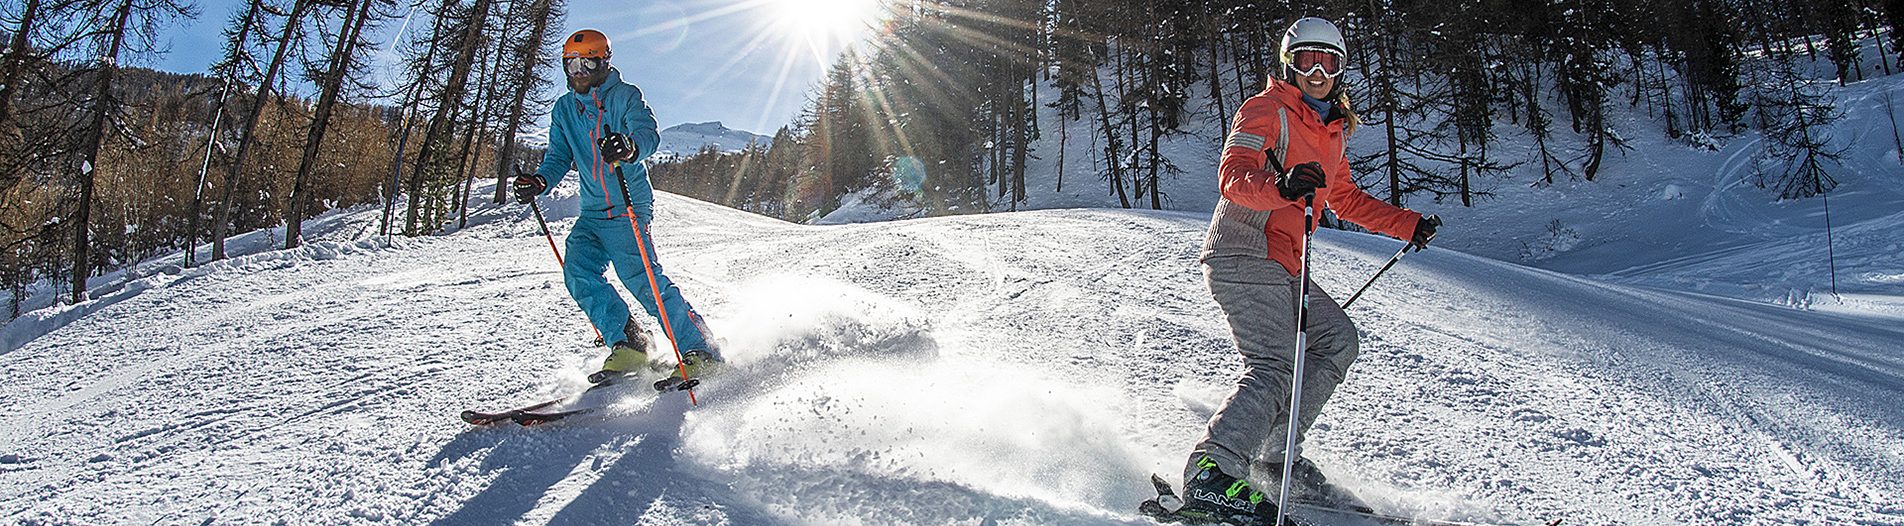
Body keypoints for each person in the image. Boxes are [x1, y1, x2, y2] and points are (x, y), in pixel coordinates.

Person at [1176, 17, 1440, 523]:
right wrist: (1282, 187)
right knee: (1274, 366)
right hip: (1243, 248)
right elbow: (1234, 176)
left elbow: (1342, 197)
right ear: (1288, 63)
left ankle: (1274, 457)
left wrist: (1406, 224)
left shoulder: (1330, 128)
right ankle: (1211, 472)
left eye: (1329, 61)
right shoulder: (1266, 110)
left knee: (1338, 340)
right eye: (1307, 60)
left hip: (1283, 259)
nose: (1317, 70)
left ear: (1340, 70)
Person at [512, 29, 721, 383]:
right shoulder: (564, 109)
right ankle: (630, 343)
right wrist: (540, 181)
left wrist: (628, 146)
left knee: (642, 279)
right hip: (592, 211)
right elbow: (559, 156)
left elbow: (648, 134)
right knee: (578, 271)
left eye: (586, 62)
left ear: (603, 62)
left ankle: (700, 347)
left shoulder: (624, 96)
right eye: (571, 63)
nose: (578, 71)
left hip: (627, 206)